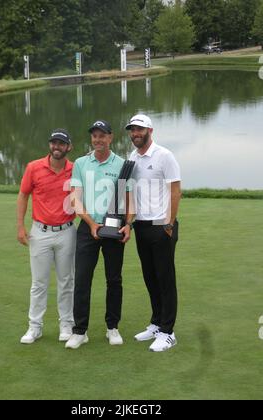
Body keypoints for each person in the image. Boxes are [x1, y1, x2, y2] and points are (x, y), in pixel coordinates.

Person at [66, 120, 133, 350]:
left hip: (115, 228)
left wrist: (129, 224)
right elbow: (75, 198)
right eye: (94, 136)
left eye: (102, 135)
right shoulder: (81, 164)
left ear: (110, 138)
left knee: (114, 279)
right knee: (82, 279)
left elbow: (129, 198)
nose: (98, 139)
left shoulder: (123, 164)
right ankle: (79, 331)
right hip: (88, 227)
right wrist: (91, 223)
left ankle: (112, 327)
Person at [126, 114, 182, 352]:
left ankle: (168, 332)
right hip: (141, 225)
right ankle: (157, 323)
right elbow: (130, 192)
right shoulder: (132, 157)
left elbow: (175, 191)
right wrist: (129, 222)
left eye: (139, 129)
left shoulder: (164, 156)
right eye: (132, 130)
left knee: (165, 278)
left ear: (150, 130)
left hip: (162, 226)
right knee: (150, 276)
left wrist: (169, 224)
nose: (135, 133)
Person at [18, 129, 76, 345]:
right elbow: (23, 195)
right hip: (39, 232)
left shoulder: (75, 169)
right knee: (39, 283)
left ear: (68, 147)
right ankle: (35, 327)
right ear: (50, 145)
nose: (57, 147)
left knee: (66, 281)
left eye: (61, 144)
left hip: (67, 231)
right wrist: (20, 227)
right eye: (54, 143)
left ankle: (66, 325)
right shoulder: (34, 167)